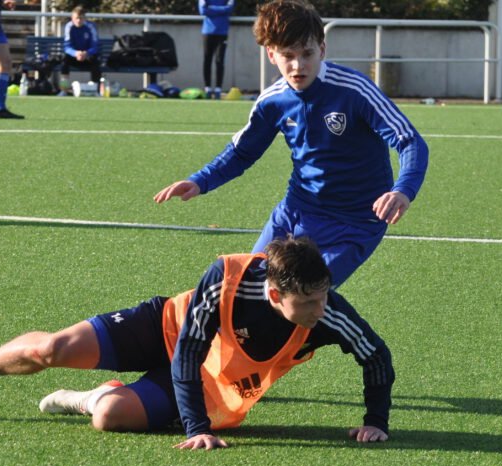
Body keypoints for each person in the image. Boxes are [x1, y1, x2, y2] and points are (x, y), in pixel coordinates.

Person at [0, 237, 394, 450]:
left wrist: (375, 421)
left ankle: (90, 397)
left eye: (323, 296)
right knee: (51, 349)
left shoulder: (329, 311)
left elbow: (376, 357)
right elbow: (189, 347)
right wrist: (197, 427)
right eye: (306, 302)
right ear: (273, 294)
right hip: (167, 328)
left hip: (215, 381)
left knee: (108, 416)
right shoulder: (228, 276)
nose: (319, 309)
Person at [153, 0, 429, 288]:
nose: (299, 65)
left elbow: (409, 141)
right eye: (288, 55)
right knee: (248, 287)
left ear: (322, 49)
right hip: (296, 211)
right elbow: (241, 152)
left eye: (307, 53)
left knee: (304, 295)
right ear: (272, 54)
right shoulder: (272, 101)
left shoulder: (354, 90)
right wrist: (200, 180)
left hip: (356, 221)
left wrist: (402, 190)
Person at [199, 0, 234, 99]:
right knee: (207, 59)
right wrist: (222, 10)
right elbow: (203, 11)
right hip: (207, 32)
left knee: (219, 60)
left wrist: (211, 8)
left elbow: (229, 9)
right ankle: (207, 88)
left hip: (222, 32)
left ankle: (218, 89)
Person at [60, 5, 102, 85]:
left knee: (95, 59)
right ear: (72, 18)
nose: (78, 20)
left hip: (87, 57)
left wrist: (86, 53)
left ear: (84, 18)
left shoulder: (91, 26)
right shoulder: (69, 26)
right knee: (64, 58)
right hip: (74, 57)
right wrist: (75, 53)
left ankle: (95, 87)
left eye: (81, 18)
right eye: (76, 18)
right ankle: (64, 87)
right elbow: (67, 47)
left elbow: (95, 46)